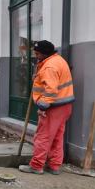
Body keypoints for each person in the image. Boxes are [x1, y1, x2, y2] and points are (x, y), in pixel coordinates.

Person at [19, 40, 74, 175]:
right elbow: (51, 80)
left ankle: (36, 166)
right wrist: (37, 77)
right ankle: (55, 166)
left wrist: (43, 106)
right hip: (65, 105)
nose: (36, 55)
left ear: (45, 53)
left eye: (38, 53)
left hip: (53, 107)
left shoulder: (49, 67)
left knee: (43, 137)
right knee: (56, 137)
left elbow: (51, 89)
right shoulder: (58, 60)